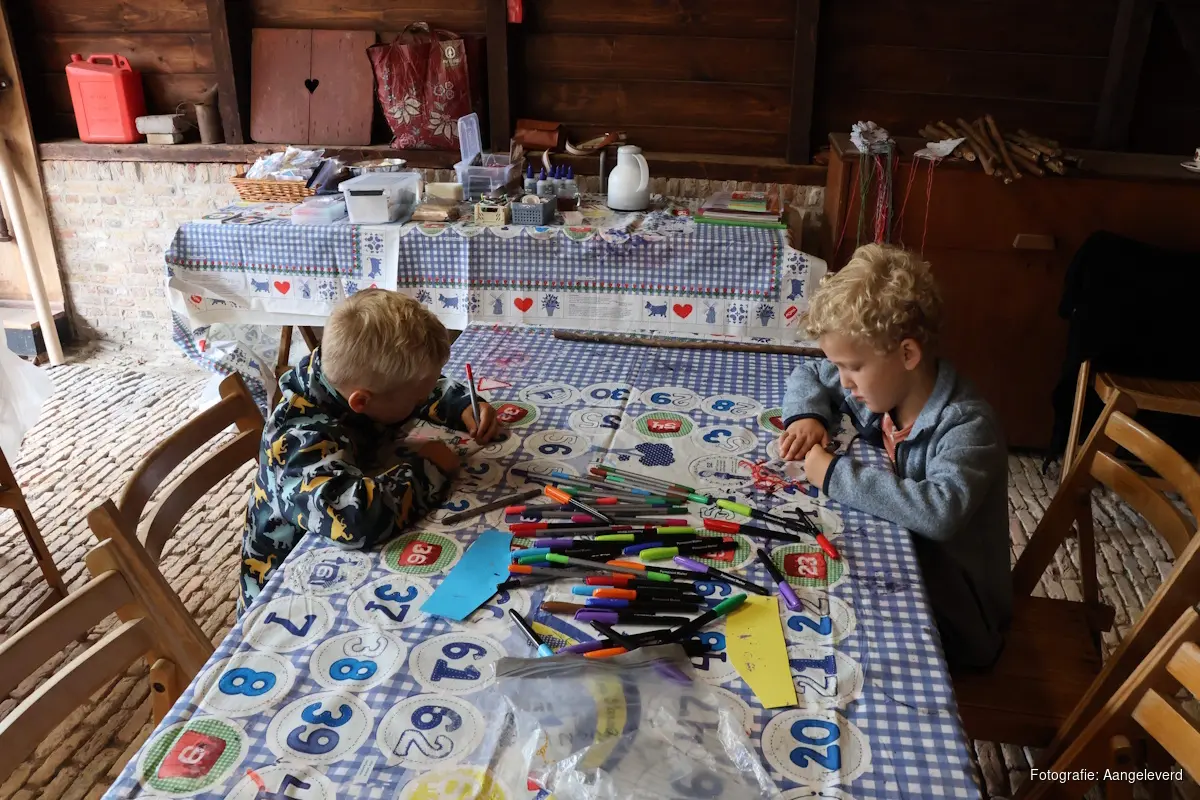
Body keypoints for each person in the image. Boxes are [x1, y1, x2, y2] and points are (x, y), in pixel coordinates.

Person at [780, 244, 1011, 669]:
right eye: (840, 367)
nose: (844, 383)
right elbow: (811, 372)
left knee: (820, 636)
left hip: (957, 615)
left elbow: (939, 511)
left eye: (853, 367)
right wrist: (808, 414)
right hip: (905, 565)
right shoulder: (887, 391)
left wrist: (834, 474)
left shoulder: (968, 425)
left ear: (907, 354)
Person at [239, 289, 500, 611]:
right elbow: (354, 519)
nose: (423, 399)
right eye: (417, 400)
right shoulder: (298, 438)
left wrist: (461, 405)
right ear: (361, 401)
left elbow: (416, 387)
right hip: (287, 591)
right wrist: (429, 469)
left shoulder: (347, 376)